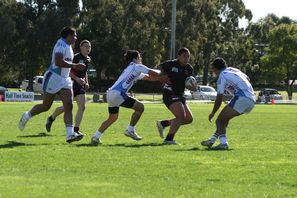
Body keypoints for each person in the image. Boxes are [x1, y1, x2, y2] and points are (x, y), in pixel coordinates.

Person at [18, 26, 86, 143]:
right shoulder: (61, 44)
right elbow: (59, 62)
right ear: (68, 36)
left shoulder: (69, 47)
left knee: (69, 105)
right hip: (53, 78)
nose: (76, 38)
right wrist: (74, 66)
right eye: (74, 35)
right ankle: (26, 115)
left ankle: (70, 134)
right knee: (46, 106)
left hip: (64, 80)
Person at [90, 50, 169, 145]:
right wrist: (162, 71)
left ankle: (96, 137)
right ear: (135, 59)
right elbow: (154, 73)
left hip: (111, 94)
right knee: (140, 107)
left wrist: (160, 78)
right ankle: (130, 130)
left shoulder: (132, 68)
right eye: (139, 57)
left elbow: (149, 77)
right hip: (118, 93)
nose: (141, 59)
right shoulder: (137, 66)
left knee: (112, 118)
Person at [201, 57, 256, 150]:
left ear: (215, 68)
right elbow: (247, 78)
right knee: (225, 119)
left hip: (242, 98)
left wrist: (213, 112)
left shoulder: (221, 77)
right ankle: (212, 140)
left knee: (219, 120)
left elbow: (219, 98)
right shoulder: (232, 69)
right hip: (251, 99)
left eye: (213, 69)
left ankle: (223, 143)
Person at [45, 40, 91, 135]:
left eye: (89, 47)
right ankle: (51, 118)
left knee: (82, 107)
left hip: (80, 86)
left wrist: (86, 82)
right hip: (70, 84)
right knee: (66, 107)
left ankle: (76, 130)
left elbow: (85, 71)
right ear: (81, 47)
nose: (88, 48)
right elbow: (67, 71)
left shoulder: (87, 59)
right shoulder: (75, 57)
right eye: (86, 46)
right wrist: (77, 79)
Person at [155, 47, 197, 145]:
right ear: (178, 56)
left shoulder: (189, 68)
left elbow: (188, 83)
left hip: (180, 95)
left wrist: (193, 87)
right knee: (181, 116)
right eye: (184, 56)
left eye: (188, 57)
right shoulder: (171, 64)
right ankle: (169, 139)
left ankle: (163, 123)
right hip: (169, 93)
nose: (186, 59)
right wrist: (160, 76)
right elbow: (157, 68)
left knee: (188, 119)